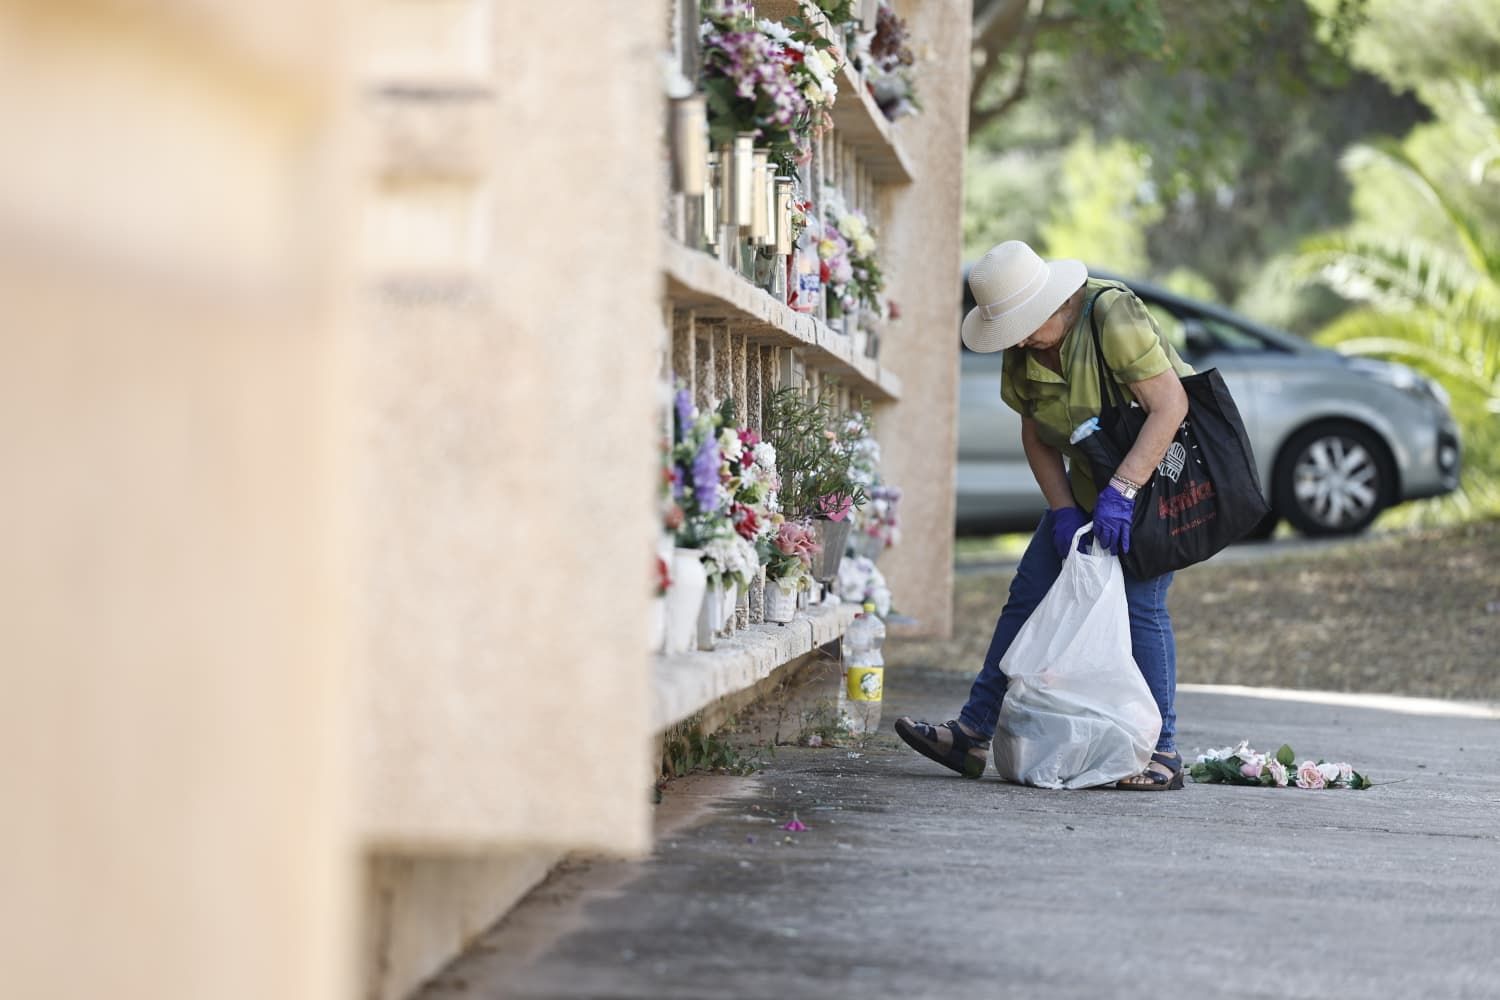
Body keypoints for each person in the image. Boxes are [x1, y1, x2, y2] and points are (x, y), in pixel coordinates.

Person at [895, 240, 1193, 790]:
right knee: (1029, 591)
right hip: (1085, 484)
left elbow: (1170, 405)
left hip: (1151, 483)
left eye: (1025, 326)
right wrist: (1061, 511)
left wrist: (1124, 489)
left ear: (1056, 303)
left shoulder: (1111, 316)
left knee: (1141, 604)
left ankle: (1164, 752)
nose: (1019, 341)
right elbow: (1035, 435)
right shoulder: (1023, 344)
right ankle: (972, 733)